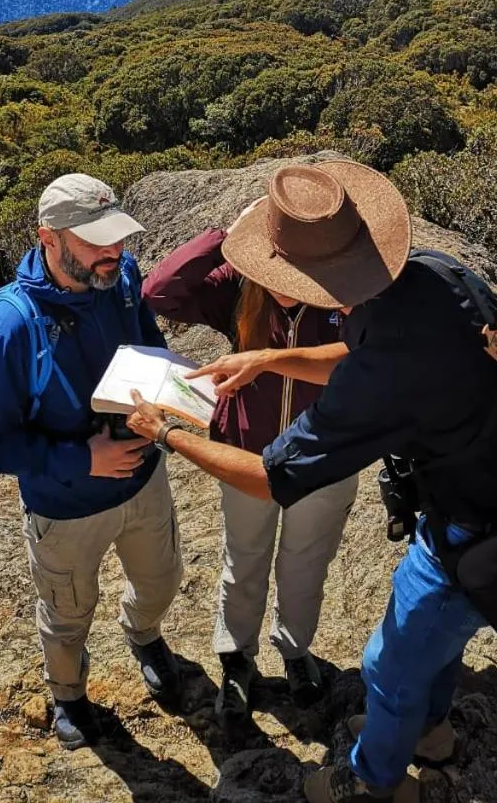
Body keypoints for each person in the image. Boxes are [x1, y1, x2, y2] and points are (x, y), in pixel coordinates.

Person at [126, 160, 497, 802]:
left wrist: (167, 432)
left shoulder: (383, 374)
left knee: (386, 666)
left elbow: (271, 477)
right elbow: (368, 353)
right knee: (441, 646)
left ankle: (369, 781)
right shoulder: (437, 273)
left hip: (473, 529)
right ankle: (430, 733)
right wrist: (273, 357)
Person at [0, 173, 184, 751]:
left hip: (142, 479)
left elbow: (146, 341)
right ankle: (68, 696)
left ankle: (144, 634)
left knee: (161, 580)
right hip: (64, 506)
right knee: (67, 613)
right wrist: (79, 458)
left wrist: (171, 393)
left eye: (118, 239)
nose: (114, 252)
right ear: (50, 239)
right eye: (97, 242)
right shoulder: (12, 325)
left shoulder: (121, 278)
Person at [142, 214, 356, 722]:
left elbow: (364, 356)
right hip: (245, 452)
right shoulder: (239, 287)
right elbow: (160, 292)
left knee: (305, 563)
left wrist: (266, 359)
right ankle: (237, 657)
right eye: (272, 264)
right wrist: (224, 235)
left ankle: (294, 650)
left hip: (324, 455)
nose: (281, 283)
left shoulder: (346, 292)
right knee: (244, 559)